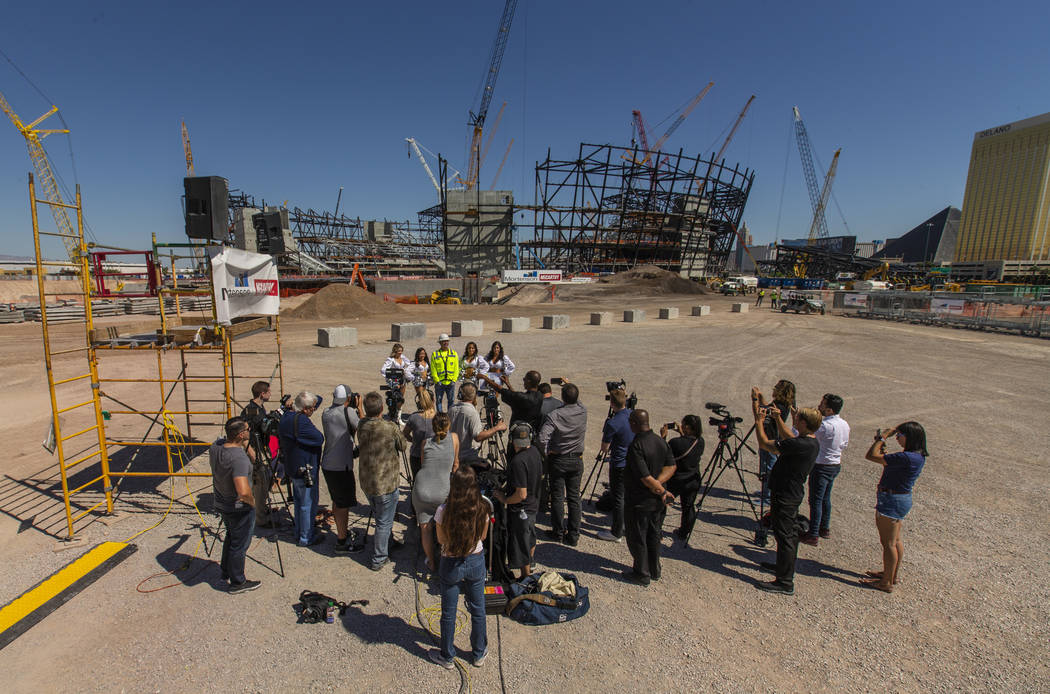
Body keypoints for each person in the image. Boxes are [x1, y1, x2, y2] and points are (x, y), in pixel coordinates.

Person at [751, 387, 821, 595]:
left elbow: (764, 444)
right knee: (786, 534)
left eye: (797, 418)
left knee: (785, 535)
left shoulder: (799, 445)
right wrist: (779, 419)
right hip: (790, 492)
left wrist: (758, 421)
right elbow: (789, 436)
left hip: (785, 494)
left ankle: (784, 581)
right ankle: (783, 568)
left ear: (803, 423)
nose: (795, 419)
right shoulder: (810, 441)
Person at [429, 466, 490, 670]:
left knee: (448, 612)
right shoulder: (483, 507)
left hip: (451, 562)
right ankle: (478, 653)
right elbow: (482, 537)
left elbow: (440, 539)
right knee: (478, 609)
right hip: (475, 560)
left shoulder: (443, 511)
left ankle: (447, 656)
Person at [861, 421, 928, 593]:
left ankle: (886, 582)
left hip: (891, 500)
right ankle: (891, 574)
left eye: (900, 435)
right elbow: (890, 464)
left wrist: (882, 438)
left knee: (888, 543)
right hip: (901, 499)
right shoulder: (916, 457)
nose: (897, 438)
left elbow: (871, 455)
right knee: (896, 540)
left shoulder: (905, 457)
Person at [621, 409, 676, 586]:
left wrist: (657, 488)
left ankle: (641, 573)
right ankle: (655, 568)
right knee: (654, 534)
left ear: (634, 424)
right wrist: (660, 486)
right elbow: (671, 466)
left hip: (640, 500)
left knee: (638, 536)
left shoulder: (637, 446)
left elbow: (645, 477)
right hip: (657, 502)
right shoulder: (660, 441)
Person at [357, 391, 408, 571]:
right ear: (381, 409)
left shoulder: (361, 424)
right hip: (385, 482)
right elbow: (403, 446)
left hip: (367, 481)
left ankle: (388, 542)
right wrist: (395, 425)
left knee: (381, 515)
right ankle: (379, 558)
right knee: (383, 522)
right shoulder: (389, 427)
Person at [210, 416, 260, 593]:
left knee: (231, 537)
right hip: (238, 508)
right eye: (247, 429)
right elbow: (243, 491)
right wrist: (253, 504)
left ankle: (226, 570)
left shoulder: (216, 447)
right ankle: (238, 582)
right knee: (240, 544)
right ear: (240, 435)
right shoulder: (238, 459)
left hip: (221, 502)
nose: (249, 431)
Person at [538, 381, 587, 546]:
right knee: (574, 497)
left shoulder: (556, 415)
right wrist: (569, 384)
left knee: (558, 496)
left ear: (563, 398)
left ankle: (558, 531)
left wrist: (547, 452)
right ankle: (573, 535)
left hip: (559, 458)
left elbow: (542, 438)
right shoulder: (582, 411)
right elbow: (578, 401)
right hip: (576, 459)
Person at [412, 412, 460, 572]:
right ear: (448, 426)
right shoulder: (454, 439)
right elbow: (456, 465)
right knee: (444, 526)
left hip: (422, 488)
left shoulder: (425, 443)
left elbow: (423, 463)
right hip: (442, 490)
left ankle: (431, 562)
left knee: (425, 528)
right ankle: (446, 560)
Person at [495, 422, 543, 580]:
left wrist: (505, 499)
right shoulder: (535, 452)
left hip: (521, 509)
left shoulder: (518, 462)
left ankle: (525, 577)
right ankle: (531, 563)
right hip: (533, 505)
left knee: (521, 544)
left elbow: (521, 494)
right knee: (530, 537)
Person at [801, 394, 850, 546]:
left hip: (821, 465)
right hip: (835, 464)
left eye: (822, 404)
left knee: (815, 500)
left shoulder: (824, 425)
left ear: (829, 410)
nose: (819, 406)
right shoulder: (844, 424)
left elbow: (806, 435)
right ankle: (824, 528)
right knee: (825, 498)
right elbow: (844, 445)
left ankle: (813, 533)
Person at [321, 385, 365, 554]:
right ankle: (342, 541)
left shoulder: (326, 412)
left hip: (328, 462)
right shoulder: (349, 413)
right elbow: (364, 428)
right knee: (343, 504)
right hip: (341, 465)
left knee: (337, 499)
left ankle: (342, 531)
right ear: (348, 398)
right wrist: (359, 408)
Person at [278, 391, 325, 547]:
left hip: (293, 466)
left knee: (299, 502)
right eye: (311, 408)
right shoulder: (301, 422)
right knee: (307, 503)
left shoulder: (286, 416)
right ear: (305, 409)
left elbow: (318, 400)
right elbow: (319, 439)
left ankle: (299, 531)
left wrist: (298, 403)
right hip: (305, 467)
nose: (314, 409)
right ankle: (306, 536)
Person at [597, 389, 633, 542]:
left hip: (619, 462)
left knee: (618, 497)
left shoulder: (613, 423)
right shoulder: (632, 414)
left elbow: (604, 448)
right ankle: (626, 524)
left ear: (611, 404)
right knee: (626, 495)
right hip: (632, 461)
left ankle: (617, 531)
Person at [661, 415, 705, 541]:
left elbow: (664, 454)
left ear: (687, 427)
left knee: (663, 503)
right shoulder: (700, 441)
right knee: (688, 506)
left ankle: (657, 530)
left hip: (676, 480)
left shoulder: (676, 443)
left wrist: (663, 437)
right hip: (693, 479)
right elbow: (686, 446)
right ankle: (684, 532)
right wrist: (683, 434)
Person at [756, 379, 796, 505]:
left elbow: (762, 411)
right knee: (767, 465)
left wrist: (756, 400)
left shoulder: (779, 405)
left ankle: (767, 497)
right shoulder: (784, 403)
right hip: (773, 436)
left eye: (777, 387)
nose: (774, 388)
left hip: (770, 437)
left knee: (768, 467)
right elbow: (767, 407)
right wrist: (762, 398)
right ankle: (765, 492)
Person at [448, 383, 508, 466]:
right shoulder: (471, 412)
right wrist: (497, 428)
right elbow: (478, 437)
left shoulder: (452, 408)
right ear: (474, 396)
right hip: (466, 457)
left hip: (453, 454)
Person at [240, 380, 273, 526]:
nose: (271, 394)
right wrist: (252, 454)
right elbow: (243, 435)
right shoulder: (250, 411)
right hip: (255, 450)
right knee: (260, 485)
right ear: (262, 393)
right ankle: (260, 518)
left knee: (265, 483)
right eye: (269, 391)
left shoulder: (260, 408)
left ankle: (261, 510)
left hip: (262, 448)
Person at [479, 368, 544, 433]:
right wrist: (508, 384)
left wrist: (485, 378)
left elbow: (500, 390)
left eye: (524, 379)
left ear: (529, 381)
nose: (523, 381)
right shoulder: (540, 396)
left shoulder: (524, 397)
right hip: (531, 432)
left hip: (517, 433)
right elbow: (516, 397)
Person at [402, 390, 436, 480]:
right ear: (433, 401)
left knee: (417, 482)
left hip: (416, 455)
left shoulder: (413, 417)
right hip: (434, 455)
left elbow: (405, 433)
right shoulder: (438, 417)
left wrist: (413, 440)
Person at [430, 333, 461, 413]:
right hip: (439, 383)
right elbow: (433, 369)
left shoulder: (454, 354)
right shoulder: (435, 354)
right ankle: (440, 416)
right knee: (439, 401)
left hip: (450, 382)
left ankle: (450, 416)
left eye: (446, 341)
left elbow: (456, 368)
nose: (445, 343)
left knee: (451, 401)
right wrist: (437, 381)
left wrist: (454, 380)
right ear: (440, 343)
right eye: (443, 341)